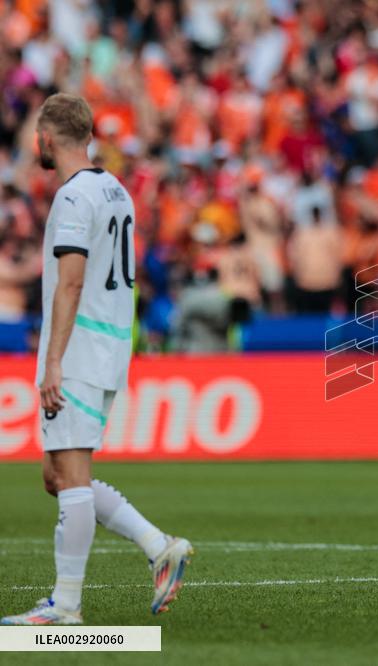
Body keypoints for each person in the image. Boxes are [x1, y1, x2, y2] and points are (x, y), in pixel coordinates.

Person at [1, 94, 192, 626]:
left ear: (46, 138)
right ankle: (159, 546)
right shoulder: (116, 190)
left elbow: (72, 279)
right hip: (109, 343)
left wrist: (53, 361)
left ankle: (66, 608)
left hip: (79, 349)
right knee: (57, 474)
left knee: (72, 474)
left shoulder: (72, 198)